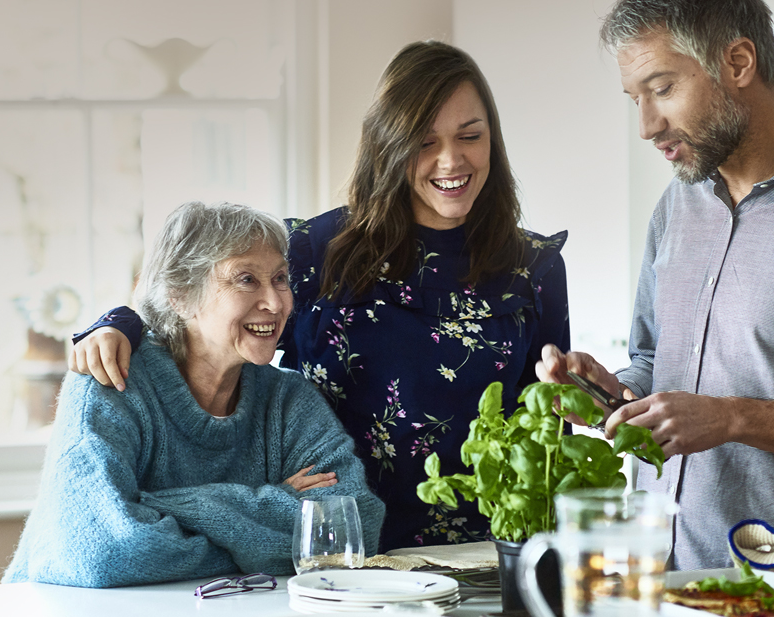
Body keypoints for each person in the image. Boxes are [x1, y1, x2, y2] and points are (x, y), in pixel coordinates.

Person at [70, 41, 570, 549]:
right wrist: (115, 323)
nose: (451, 159)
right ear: (389, 146)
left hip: (495, 551)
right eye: (424, 142)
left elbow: (552, 429)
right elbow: (201, 305)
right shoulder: (317, 251)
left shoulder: (534, 266)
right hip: (343, 549)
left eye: (470, 136)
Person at [537, 0, 774, 569]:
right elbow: (653, 364)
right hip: (652, 578)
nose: (646, 126)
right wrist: (610, 395)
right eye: (635, 99)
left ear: (739, 63)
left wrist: (731, 417)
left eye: (663, 88)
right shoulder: (677, 206)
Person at [0, 201, 382, 617]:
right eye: (245, 280)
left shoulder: (288, 400)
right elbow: (102, 551)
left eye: (280, 279)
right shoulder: (109, 383)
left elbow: (351, 527)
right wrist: (277, 508)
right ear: (179, 293)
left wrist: (158, 507)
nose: (275, 302)